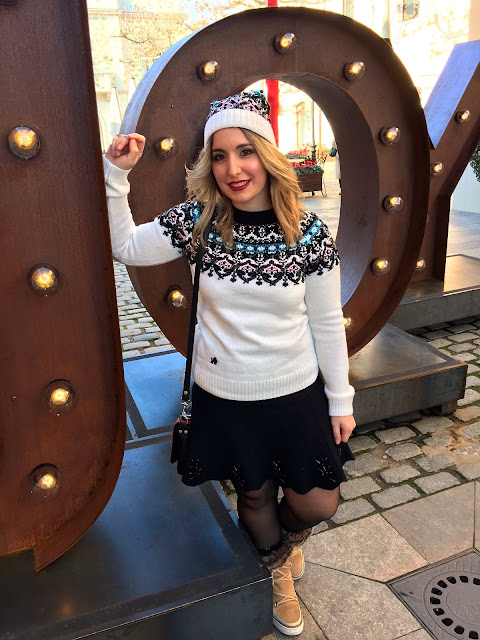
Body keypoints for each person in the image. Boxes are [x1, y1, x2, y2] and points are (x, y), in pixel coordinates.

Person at [103, 90, 356, 637]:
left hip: (295, 392)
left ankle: (285, 545)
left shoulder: (308, 232)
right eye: (219, 156)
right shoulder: (199, 221)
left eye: (245, 152)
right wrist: (115, 174)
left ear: (267, 155)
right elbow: (127, 247)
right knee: (255, 493)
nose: (233, 169)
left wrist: (341, 400)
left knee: (318, 501)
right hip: (226, 393)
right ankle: (277, 571)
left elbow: (326, 322)